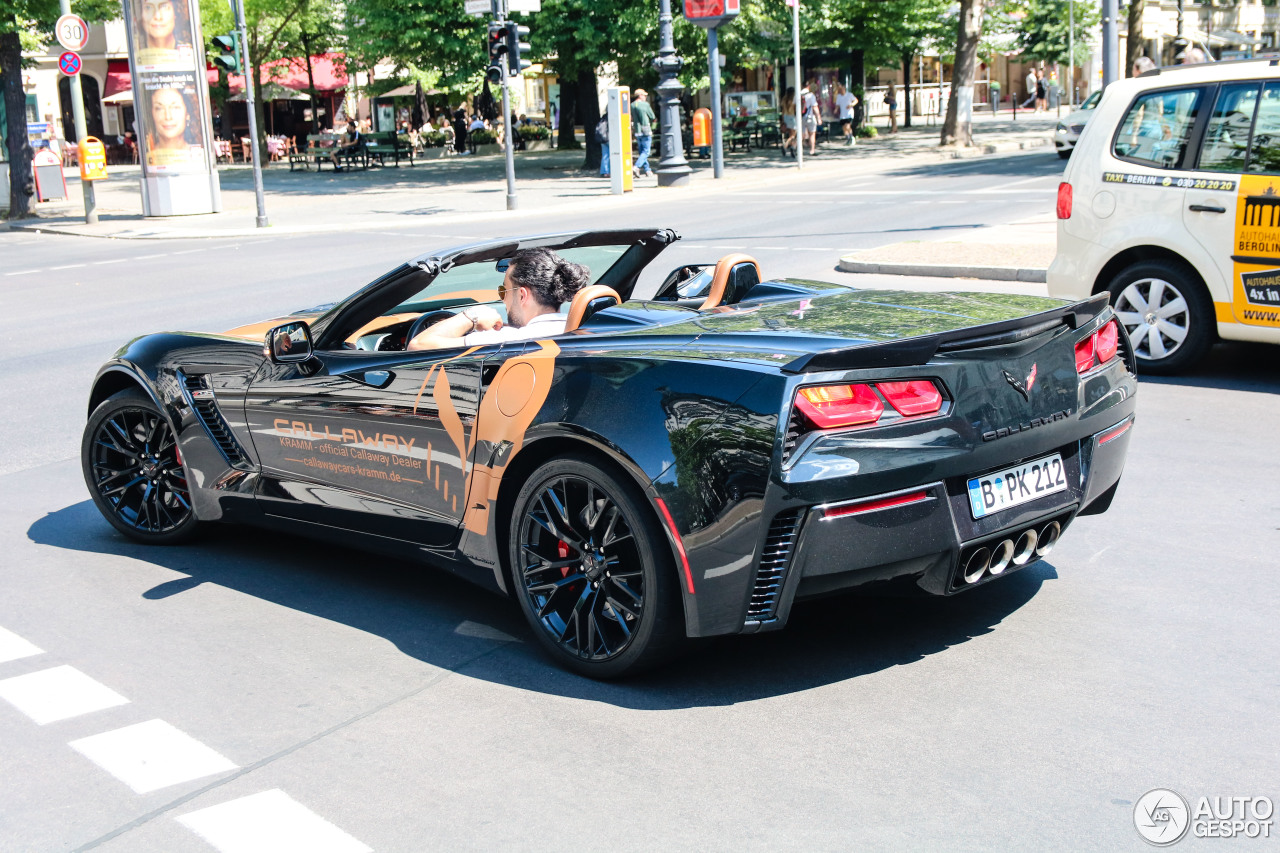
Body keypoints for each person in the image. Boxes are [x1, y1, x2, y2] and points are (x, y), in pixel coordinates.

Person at [407, 248, 591, 350]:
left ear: (522, 295)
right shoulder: (583, 330)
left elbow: (418, 345)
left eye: (504, 291)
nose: (503, 300)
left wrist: (472, 316)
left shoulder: (509, 339)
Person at [631, 88, 656, 177]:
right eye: (644, 95)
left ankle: (647, 170)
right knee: (646, 151)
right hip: (645, 129)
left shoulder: (632, 105)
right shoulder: (645, 105)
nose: (645, 97)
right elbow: (652, 116)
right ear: (640, 95)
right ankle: (636, 167)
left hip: (637, 130)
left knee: (642, 151)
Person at [802, 78, 820, 154]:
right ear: (808, 86)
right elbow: (814, 107)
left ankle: (797, 148)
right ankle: (812, 150)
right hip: (810, 116)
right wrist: (818, 117)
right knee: (812, 134)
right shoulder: (810, 95)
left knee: (801, 134)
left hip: (801, 117)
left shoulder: (798, 94)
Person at [780, 87, 797, 158]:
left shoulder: (784, 99)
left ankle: (792, 147)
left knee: (790, 134)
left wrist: (783, 120)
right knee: (793, 135)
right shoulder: (794, 99)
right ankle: (786, 146)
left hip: (786, 117)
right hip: (792, 117)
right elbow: (796, 109)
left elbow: (783, 111)